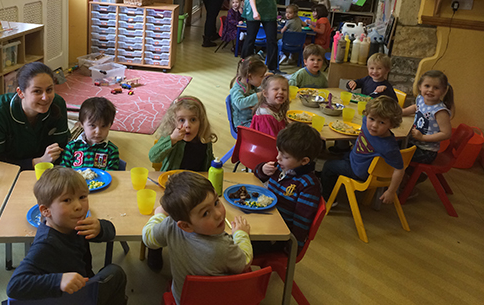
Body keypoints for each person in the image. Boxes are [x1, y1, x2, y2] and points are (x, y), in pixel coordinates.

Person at [6, 167, 127, 304]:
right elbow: (14, 286)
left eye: (82, 197)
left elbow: (110, 233)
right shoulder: (45, 245)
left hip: (79, 286)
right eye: (67, 200)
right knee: (116, 274)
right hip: (72, 298)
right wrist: (58, 281)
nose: (78, 206)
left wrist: (100, 228)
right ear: (46, 211)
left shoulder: (73, 224)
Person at [142, 171, 252, 304]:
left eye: (216, 202)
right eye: (206, 213)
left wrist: (159, 215)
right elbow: (245, 261)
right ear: (186, 226)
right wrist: (241, 233)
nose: (218, 214)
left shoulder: (170, 225)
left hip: (182, 299)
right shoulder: (223, 248)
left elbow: (148, 238)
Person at [0, 62, 69, 170]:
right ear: (20, 93)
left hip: (42, 168)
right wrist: (38, 162)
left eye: (49, 90)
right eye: (37, 91)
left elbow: (61, 148)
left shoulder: (57, 103)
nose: (45, 98)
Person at [321, 96, 405, 203]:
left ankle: (328, 200)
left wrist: (391, 191)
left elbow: (399, 169)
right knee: (337, 155)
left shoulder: (388, 147)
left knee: (328, 166)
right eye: (372, 119)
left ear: (392, 125)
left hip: (359, 171)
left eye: (382, 122)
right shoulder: (366, 120)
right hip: (354, 157)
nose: (374, 125)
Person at [253, 123, 322, 252]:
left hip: (278, 237)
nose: (278, 158)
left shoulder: (308, 185)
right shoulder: (281, 167)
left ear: (304, 161)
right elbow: (257, 176)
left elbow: (302, 221)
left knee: (236, 244)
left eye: (285, 157)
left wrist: (292, 247)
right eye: (278, 152)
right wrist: (262, 169)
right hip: (265, 220)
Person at [148, 96, 217, 172]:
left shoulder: (205, 139)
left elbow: (208, 162)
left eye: (193, 120)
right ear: (173, 122)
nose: (187, 125)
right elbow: (153, 157)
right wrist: (172, 139)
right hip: (173, 179)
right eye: (181, 120)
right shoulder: (171, 138)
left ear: (201, 122)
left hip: (197, 180)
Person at [402, 70, 453, 165]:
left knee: (394, 154)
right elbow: (415, 107)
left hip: (426, 151)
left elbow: (446, 134)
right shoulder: (420, 99)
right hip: (413, 142)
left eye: (436, 88)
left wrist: (423, 137)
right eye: (427, 86)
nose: (430, 90)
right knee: (390, 144)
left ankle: (401, 177)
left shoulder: (440, 111)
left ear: (444, 91)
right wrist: (403, 111)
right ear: (420, 86)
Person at [59, 97, 119, 170]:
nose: (98, 132)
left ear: (110, 125)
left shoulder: (112, 150)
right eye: (92, 125)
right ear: (81, 124)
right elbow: (63, 171)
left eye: (104, 126)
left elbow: (112, 175)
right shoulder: (72, 147)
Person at [229, 55, 267, 128]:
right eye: (261, 76)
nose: (263, 79)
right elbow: (240, 103)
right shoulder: (237, 90)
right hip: (243, 124)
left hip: (253, 118)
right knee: (266, 128)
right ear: (250, 76)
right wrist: (258, 95)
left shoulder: (251, 84)